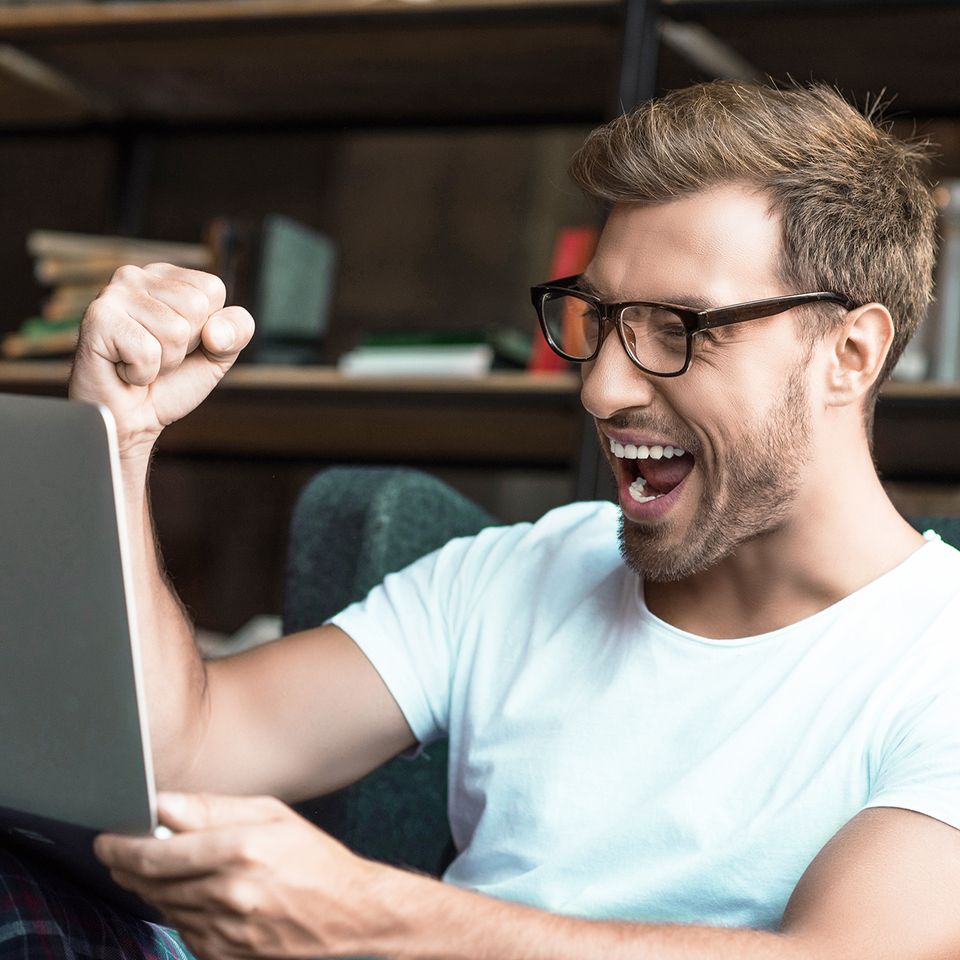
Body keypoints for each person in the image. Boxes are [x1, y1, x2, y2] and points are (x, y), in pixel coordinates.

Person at [5, 79, 960, 960]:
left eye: (678, 329)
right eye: (598, 319)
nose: (603, 386)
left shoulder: (939, 659)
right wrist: (118, 446)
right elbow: (183, 758)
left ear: (850, 352)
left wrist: (372, 913)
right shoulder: (518, 572)